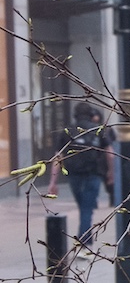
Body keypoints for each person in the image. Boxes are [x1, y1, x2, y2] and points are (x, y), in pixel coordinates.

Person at [46, 103, 115, 248]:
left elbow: (58, 157)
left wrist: (53, 182)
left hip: (74, 176)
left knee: (84, 207)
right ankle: (84, 240)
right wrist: (111, 173)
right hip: (93, 174)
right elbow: (110, 154)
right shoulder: (98, 130)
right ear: (91, 114)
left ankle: (85, 239)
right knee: (86, 208)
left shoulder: (67, 132)